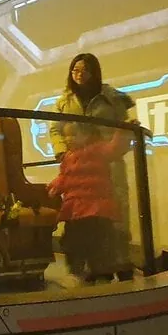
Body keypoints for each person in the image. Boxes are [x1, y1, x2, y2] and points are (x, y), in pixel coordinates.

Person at [48, 53, 137, 281]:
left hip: (110, 164)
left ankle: (121, 263)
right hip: (78, 164)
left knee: (116, 216)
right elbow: (56, 129)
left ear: (94, 72)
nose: (79, 74)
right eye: (75, 70)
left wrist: (123, 137)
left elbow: (123, 126)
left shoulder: (112, 98)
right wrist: (63, 152)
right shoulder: (64, 101)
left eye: (84, 70)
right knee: (84, 225)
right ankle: (90, 267)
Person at [47, 123, 130, 282]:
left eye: (73, 135)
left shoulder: (98, 149)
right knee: (72, 242)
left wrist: (123, 131)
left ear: (87, 135)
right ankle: (76, 271)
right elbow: (64, 177)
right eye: (66, 135)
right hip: (75, 209)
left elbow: (115, 148)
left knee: (99, 243)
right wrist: (54, 187)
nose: (68, 139)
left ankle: (101, 273)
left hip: (96, 208)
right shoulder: (68, 157)